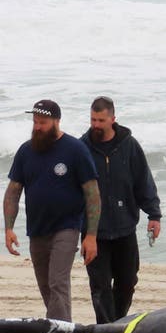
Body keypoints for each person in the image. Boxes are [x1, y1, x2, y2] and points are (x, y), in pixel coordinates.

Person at [4, 100, 100, 321]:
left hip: (66, 227)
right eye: (35, 122)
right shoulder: (26, 151)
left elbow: (92, 193)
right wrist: (8, 228)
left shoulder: (75, 149)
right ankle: (62, 326)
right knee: (46, 285)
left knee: (58, 281)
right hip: (37, 229)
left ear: (57, 121)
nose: (37, 127)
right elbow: (13, 191)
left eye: (43, 123)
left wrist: (91, 235)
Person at [80, 96, 163, 324]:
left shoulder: (129, 145)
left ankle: (115, 324)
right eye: (92, 119)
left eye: (101, 120)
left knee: (127, 282)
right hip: (94, 233)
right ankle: (107, 330)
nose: (95, 125)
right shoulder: (82, 148)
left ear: (113, 119)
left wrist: (154, 215)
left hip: (125, 229)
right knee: (100, 287)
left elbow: (143, 182)